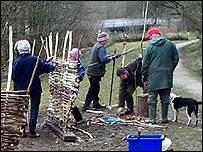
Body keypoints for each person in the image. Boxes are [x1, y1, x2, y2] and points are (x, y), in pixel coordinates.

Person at [12, 40, 54, 138]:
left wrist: (45, 62)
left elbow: (14, 77)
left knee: (22, 109)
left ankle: (22, 130)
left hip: (21, 89)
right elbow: (46, 68)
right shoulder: (34, 59)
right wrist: (51, 65)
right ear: (28, 49)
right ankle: (32, 131)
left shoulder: (17, 62)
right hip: (34, 88)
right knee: (34, 109)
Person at [141, 27, 179, 124]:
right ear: (159, 34)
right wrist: (170, 69)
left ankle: (152, 119)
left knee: (152, 97)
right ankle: (164, 118)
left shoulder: (149, 47)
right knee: (165, 97)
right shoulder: (170, 44)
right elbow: (176, 59)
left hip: (153, 76)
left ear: (150, 37)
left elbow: (144, 64)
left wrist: (144, 77)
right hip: (167, 75)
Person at [82, 30, 120, 111]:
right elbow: (103, 59)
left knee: (96, 88)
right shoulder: (100, 48)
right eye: (106, 40)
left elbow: (103, 57)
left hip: (93, 71)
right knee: (93, 88)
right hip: (94, 72)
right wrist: (111, 58)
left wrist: (112, 55)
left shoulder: (97, 45)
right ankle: (86, 104)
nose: (107, 41)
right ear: (102, 40)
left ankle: (96, 103)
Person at [69, 48, 85, 124]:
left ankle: (79, 118)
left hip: (73, 87)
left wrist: (74, 78)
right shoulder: (68, 64)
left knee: (71, 102)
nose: (69, 57)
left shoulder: (79, 66)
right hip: (67, 86)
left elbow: (80, 77)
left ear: (75, 57)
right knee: (68, 102)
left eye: (71, 56)